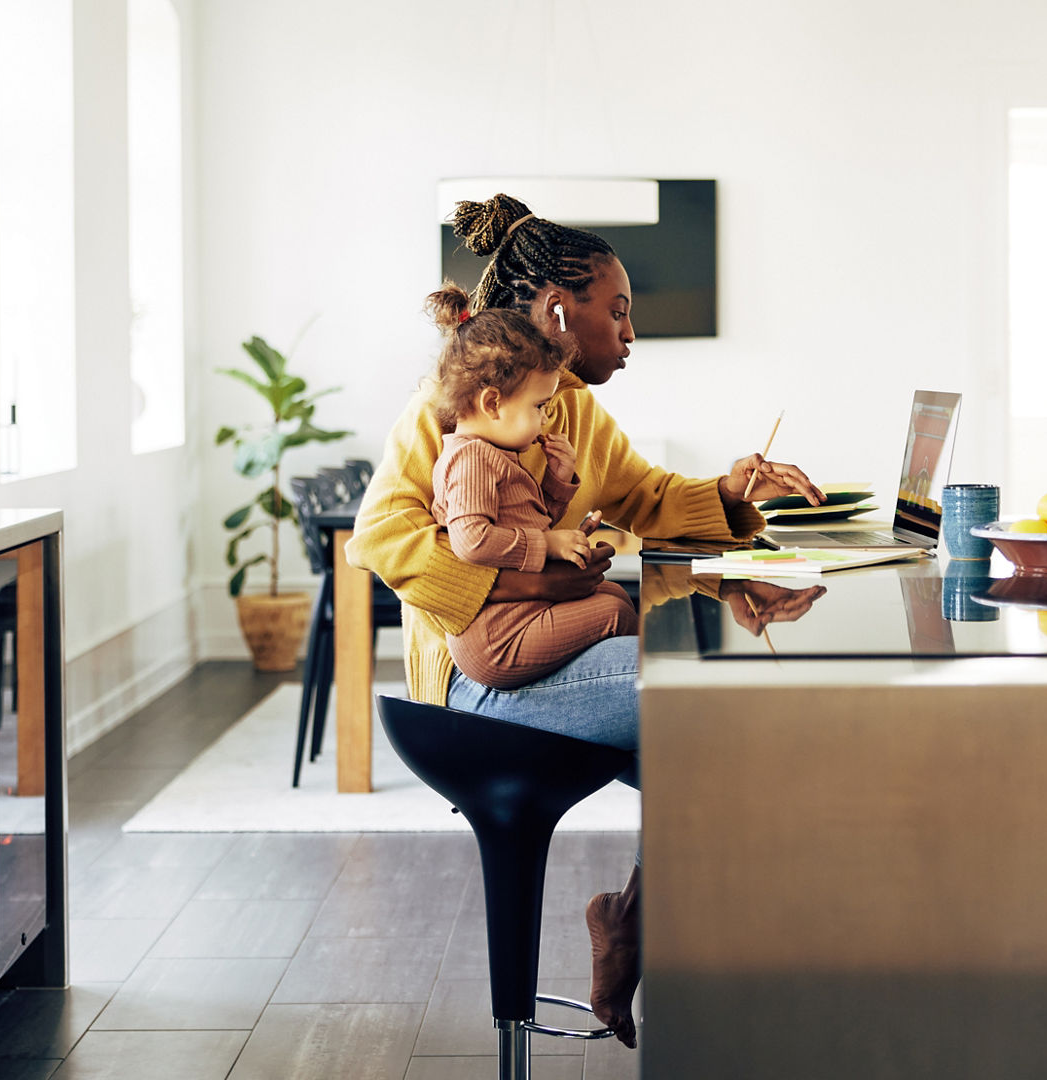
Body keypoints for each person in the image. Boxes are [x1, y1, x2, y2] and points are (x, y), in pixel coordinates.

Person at [346, 193, 824, 1047]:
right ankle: (673, 944)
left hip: (546, 653)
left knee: (731, 733)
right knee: (718, 714)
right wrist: (516, 587)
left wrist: (728, 491)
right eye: (621, 311)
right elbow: (379, 534)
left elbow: (644, 497)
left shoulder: (568, 407)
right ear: (561, 311)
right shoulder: (456, 406)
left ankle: (641, 922)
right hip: (475, 681)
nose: (631, 332)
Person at [425, 295, 637, 688]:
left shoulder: (495, 454)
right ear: (492, 402)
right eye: (539, 406)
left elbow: (527, 521)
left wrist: (557, 482)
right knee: (616, 613)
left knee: (615, 597)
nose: (544, 420)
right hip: (498, 640)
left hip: (520, 619)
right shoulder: (470, 459)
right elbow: (471, 541)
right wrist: (551, 546)